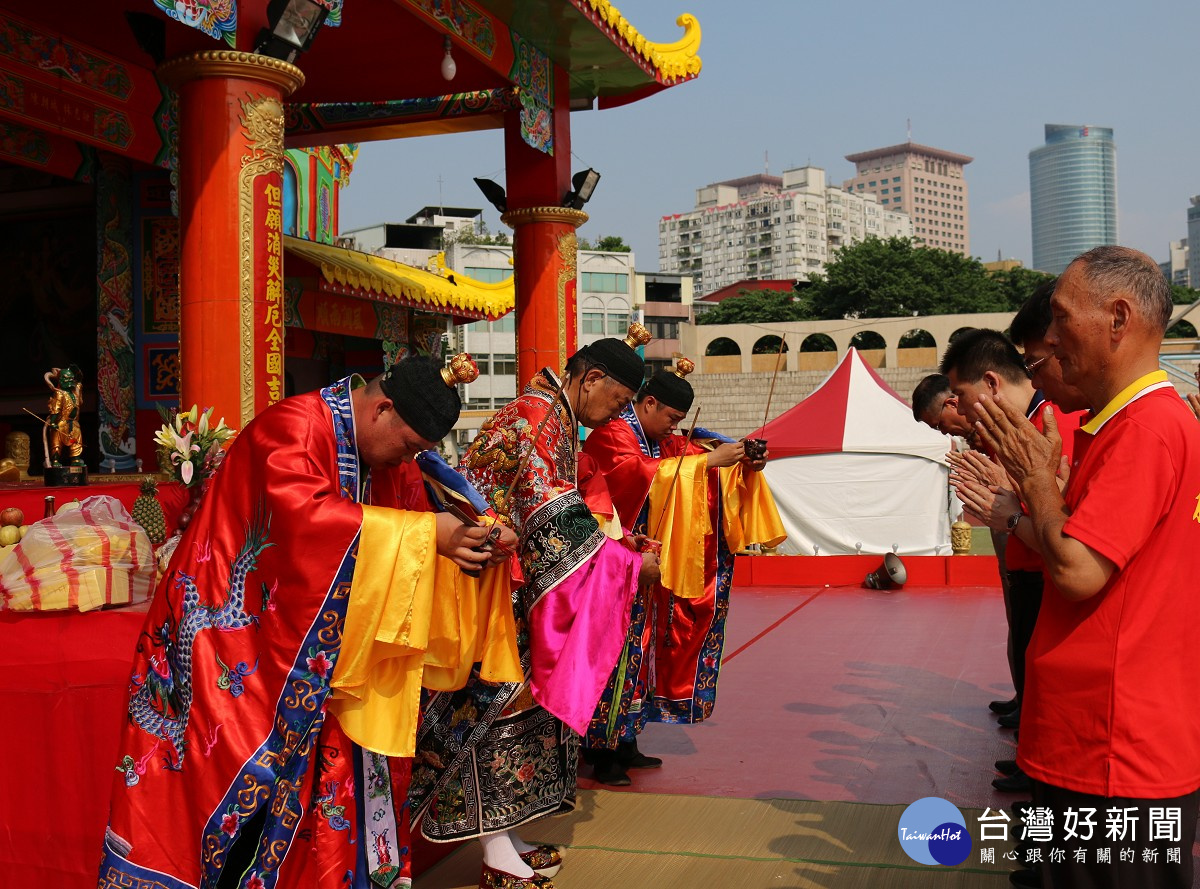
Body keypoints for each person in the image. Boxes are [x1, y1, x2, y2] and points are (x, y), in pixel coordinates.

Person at [98, 354, 519, 889]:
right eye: (410, 445)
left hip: (317, 659)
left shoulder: (386, 454)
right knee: (223, 796)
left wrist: (473, 538)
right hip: (233, 648)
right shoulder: (293, 427)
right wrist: (425, 536)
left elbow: (424, 512)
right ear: (382, 407)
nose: (407, 461)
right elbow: (305, 521)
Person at [973, 246, 1200, 889]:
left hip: (1113, 747)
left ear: (1118, 318)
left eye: (1062, 319)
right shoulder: (1133, 423)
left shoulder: (1147, 427)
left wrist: (1039, 486)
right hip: (1102, 736)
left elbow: (1076, 572)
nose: (1050, 338)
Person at [409, 326, 661, 889]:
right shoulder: (538, 416)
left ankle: (506, 833)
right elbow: (552, 520)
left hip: (505, 586)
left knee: (514, 713)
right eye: (617, 402)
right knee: (488, 713)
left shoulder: (552, 414)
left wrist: (621, 548)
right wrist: (625, 567)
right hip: (480, 588)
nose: (614, 416)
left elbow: (566, 514)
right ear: (590, 378)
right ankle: (494, 850)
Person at [578, 356, 785, 785]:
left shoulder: (661, 440)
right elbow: (635, 474)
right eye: (671, 418)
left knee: (642, 651)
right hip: (616, 563)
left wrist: (742, 461)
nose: (675, 428)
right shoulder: (612, 434)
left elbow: (694, 461)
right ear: (648, 403)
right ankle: (602, 752)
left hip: (649, 569)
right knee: (615, 654)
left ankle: (628, 741)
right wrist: (707, 463)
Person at [43, 364, 84, 467]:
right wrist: (53, 422)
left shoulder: (75, 393)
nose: (70, 381)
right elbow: (55, 409)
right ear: (60, 380)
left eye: (71, 378)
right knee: (56, 444)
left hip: (74, 423)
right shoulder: (59, 394)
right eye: (66, 379)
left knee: (76, 442)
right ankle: (55, 460)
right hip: (60, 423)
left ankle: (75, 460)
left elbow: (79, 380)